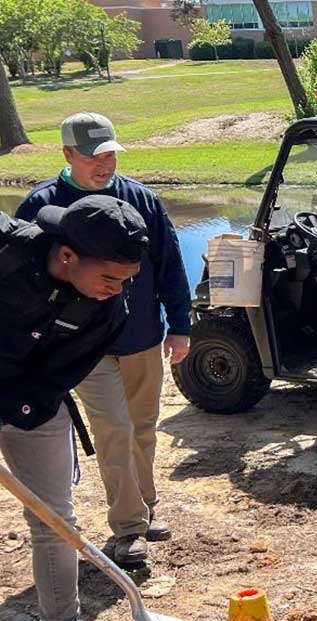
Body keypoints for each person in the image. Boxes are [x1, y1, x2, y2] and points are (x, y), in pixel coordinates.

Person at [15, 113, 191, 568]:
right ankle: (129, 527)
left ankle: (146, 503)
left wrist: (182, 324)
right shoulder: (42, 206)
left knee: (143, 427)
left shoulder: (141, 200)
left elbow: (170, 263)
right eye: (94, 156)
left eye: (111, 153)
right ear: (68, 154)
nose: (105, 163)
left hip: (141, 336)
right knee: (113, 428)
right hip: (81, 347)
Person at [1, 196, 148, 621]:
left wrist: (18, 409)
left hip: (35, 405)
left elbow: (57, 375)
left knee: (55, 518)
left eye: (125, 281)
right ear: (67, 256)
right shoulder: (7, 253)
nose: (116, 290)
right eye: (109, 279)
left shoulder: (107, 312)